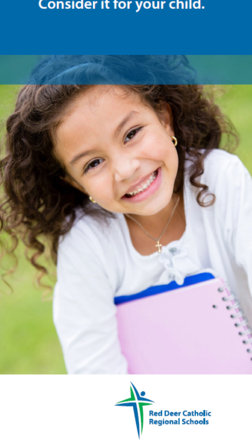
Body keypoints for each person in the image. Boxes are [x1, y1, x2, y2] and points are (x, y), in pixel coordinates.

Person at [0, 55, 252, 374]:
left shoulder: (222, 180)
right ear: (74, 182)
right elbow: (96, 375)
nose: (125, 169)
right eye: (93, 164)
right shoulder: (87, 243)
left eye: (131, 133)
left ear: (164, 118)